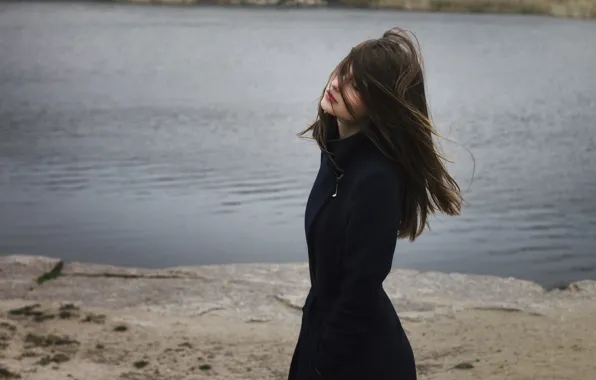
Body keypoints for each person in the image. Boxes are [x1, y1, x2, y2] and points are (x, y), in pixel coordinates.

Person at [287, 28, 462, 380]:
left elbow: (360, 290)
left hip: (361, 357)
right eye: (342, 71)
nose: (336, 83)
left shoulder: (377, 180)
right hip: (322, 332)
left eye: (356, 84)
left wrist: (322, 362)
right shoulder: (335, 156)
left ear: (379, 103)